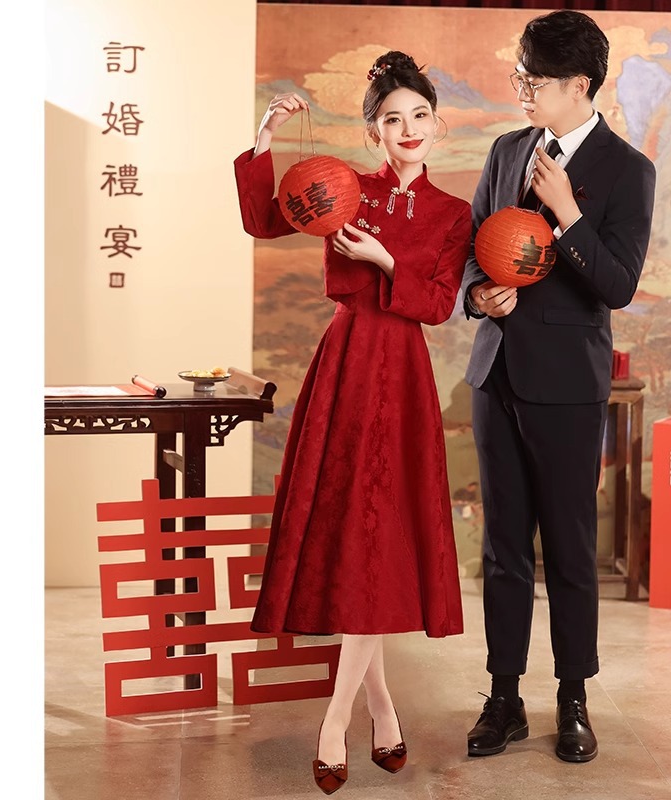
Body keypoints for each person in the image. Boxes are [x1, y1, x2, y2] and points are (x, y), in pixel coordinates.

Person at [234, 50, 470, 794]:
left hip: (402, 375)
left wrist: (386, 259)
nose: (408, 129)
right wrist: (265, 141)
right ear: (373, 133)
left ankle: (337, 720)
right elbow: (264, 221)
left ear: (436, 123)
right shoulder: (345, 188)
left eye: (420, 115)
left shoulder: (453, 214)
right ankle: (382, 710)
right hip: (345, 365)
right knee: (351, 539)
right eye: (392, 120)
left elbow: (439, 304)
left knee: (380, 540)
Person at [461, 10, 656, 764]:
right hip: (496, 374)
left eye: (533, 81)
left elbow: (619, 286)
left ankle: (573, 698)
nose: (522, 90)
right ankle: (503, 698)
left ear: (579, 85)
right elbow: (474, 244)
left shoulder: (627, 170)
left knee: (570, 549)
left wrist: (569, 213)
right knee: (503, 546)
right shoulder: (508, 149)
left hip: (569, 385)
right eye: (519, 76)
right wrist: (480, 295)